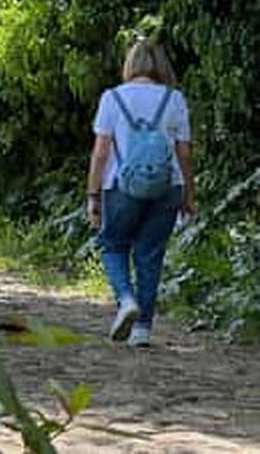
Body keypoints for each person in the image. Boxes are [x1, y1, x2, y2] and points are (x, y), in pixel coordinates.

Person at [86, 38, 196, 347]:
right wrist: (189, 194)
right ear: (161, 65)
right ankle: (142, 329)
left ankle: (125, 299)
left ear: (130, 65)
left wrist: (93, 196)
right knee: (150, 254)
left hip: (121, 185)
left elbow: (100, 152)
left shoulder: (112, 98)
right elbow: (184, 152)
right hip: (168, 185)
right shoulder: (174, 99)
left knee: (113, 245)